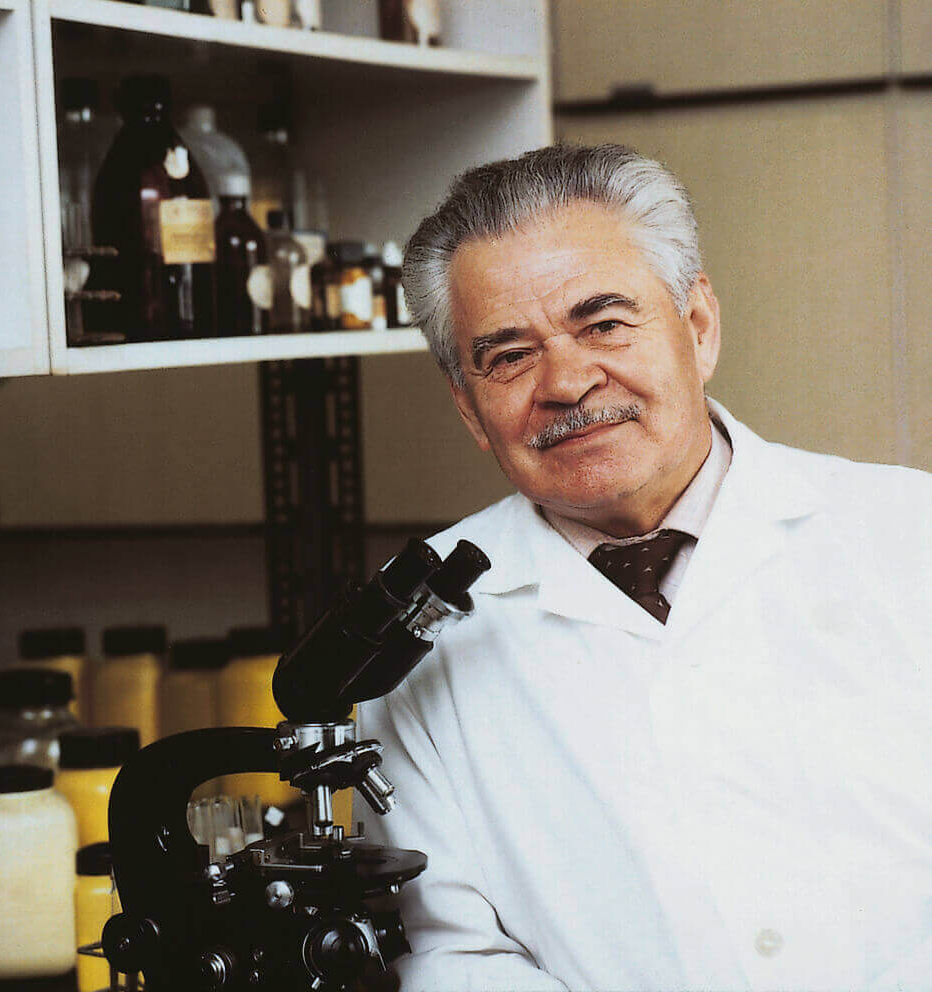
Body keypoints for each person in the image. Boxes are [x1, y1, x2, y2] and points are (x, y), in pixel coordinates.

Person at [359, 144, 931, 991]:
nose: (567, 382)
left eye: (603, 324)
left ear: (697, 327)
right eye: (508, 355)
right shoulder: (405, 629)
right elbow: (453, 954)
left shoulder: (908, 534)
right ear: (469, 408)